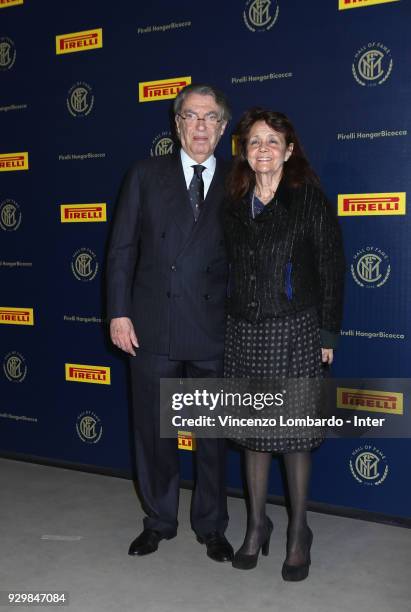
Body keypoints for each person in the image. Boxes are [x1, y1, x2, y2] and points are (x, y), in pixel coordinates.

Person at [106, 84, 233, 562]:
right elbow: (122, 250)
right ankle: (159, 519)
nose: (200, 126)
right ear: (176, 124)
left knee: (212, 436)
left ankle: (212, 524)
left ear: (223, 128)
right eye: (191, 116)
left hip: (212, 328)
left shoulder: (241, 179)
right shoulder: (144, 174)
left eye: (210, 117)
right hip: (152, 323)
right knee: (154, 433)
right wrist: (119, 311)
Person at [223, 108, 345, 579]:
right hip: (245, 330)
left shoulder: (308, 200)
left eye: (273, 141)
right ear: (244, 152)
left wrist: (328, 333)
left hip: (294, 328)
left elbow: (332, 266)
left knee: (294, 436)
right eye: (254, 142)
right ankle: (256, 526)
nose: (264, 149)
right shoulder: (233, 203)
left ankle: (299, 533)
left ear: (289, 151)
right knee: (254, 436)